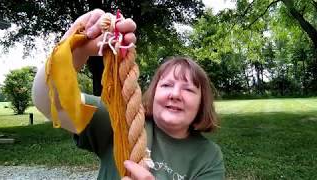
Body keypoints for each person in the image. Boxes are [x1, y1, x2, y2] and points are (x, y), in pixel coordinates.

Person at [32, 9, 225, 180]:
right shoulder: (118, 120)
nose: (175, 94)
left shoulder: (208, 157)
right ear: (154, 92)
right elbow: (48, 101)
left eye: (188, 89)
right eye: (166, 85)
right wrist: (77, 46)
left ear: (202, 102)